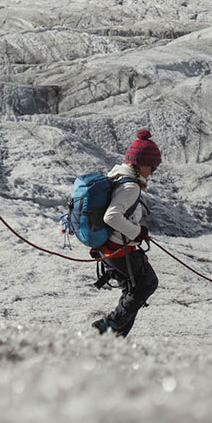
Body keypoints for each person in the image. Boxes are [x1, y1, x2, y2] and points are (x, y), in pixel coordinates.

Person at [92, 130, 162, 338]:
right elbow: (111, 217)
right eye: (153, 166)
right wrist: (138, 232)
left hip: (108, 247)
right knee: (148, 283)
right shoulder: (130, 187)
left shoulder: (116, 177)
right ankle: (110, 324)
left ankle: (114, 339)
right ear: (142, 164)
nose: (154, 170)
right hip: (119, 250)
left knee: (132, 293)